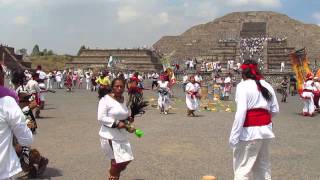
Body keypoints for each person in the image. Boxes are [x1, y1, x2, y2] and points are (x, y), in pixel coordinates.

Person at [229, 60, 279, 180]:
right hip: (266, 131)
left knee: (242, 168)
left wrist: (234, 136)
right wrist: (263, 121)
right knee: (263, 166)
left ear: (243, 73)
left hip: (249, 132)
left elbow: (241, 113)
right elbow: (275, 110)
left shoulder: (243, 86)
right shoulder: (267, 85)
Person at [97, 78, 135, 180]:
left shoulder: (124, 99)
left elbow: (124, 115)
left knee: (127, 159)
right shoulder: (105, 99)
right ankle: (113, 174)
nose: (119, 88)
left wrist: (128, 120)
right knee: (116, 161)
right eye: (116, 86)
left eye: (121, 86)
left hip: (122, 135)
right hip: (109, 135)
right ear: (112, 87)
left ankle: (112, 172)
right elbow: (101, 117)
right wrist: (117, 123)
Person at [0, 65, 33, 179]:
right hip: (17, 118)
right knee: (18, 144)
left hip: (24, 117)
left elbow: (32, 102)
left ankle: (28, 166)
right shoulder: (12, 91)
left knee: (23, 146)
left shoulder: (21, 90)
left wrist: (26, 109)